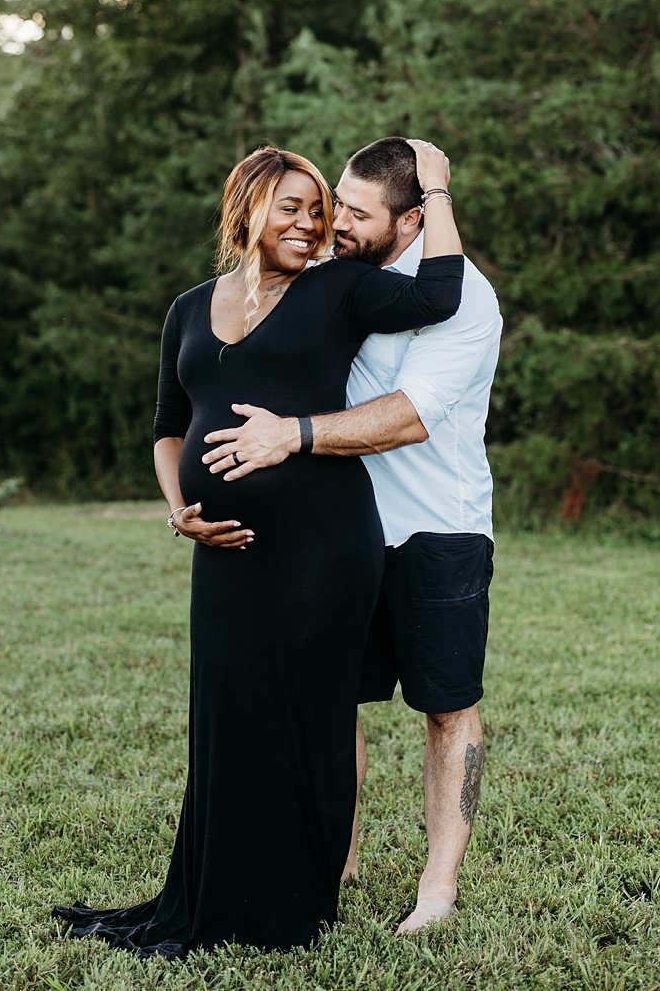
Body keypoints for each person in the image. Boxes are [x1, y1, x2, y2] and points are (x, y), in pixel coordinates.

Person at [53, 139, 464, 959]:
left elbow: (441, 295)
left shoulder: (340, 288)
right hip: (225, 553)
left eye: (320, 211)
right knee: (227, 717)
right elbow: (170, 432)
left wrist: (439, 188)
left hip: (323, 543)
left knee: (306, 714)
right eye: (294, 208)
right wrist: (181, 511)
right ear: (245, 210)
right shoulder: (186, 309)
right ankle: (217, 889)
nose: (312, 225)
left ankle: (293, 905)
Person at [200, 136, 502, 935]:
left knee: (447, 706)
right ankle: (337, 855)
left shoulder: (460, 293)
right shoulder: (336, 282)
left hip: (438, 532)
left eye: (357, 214)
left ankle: (436, 890)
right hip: (340, 531)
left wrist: (292, 435)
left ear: (409, 221)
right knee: (334, 697)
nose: (336, 222)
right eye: (338, 201)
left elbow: (406, 418)